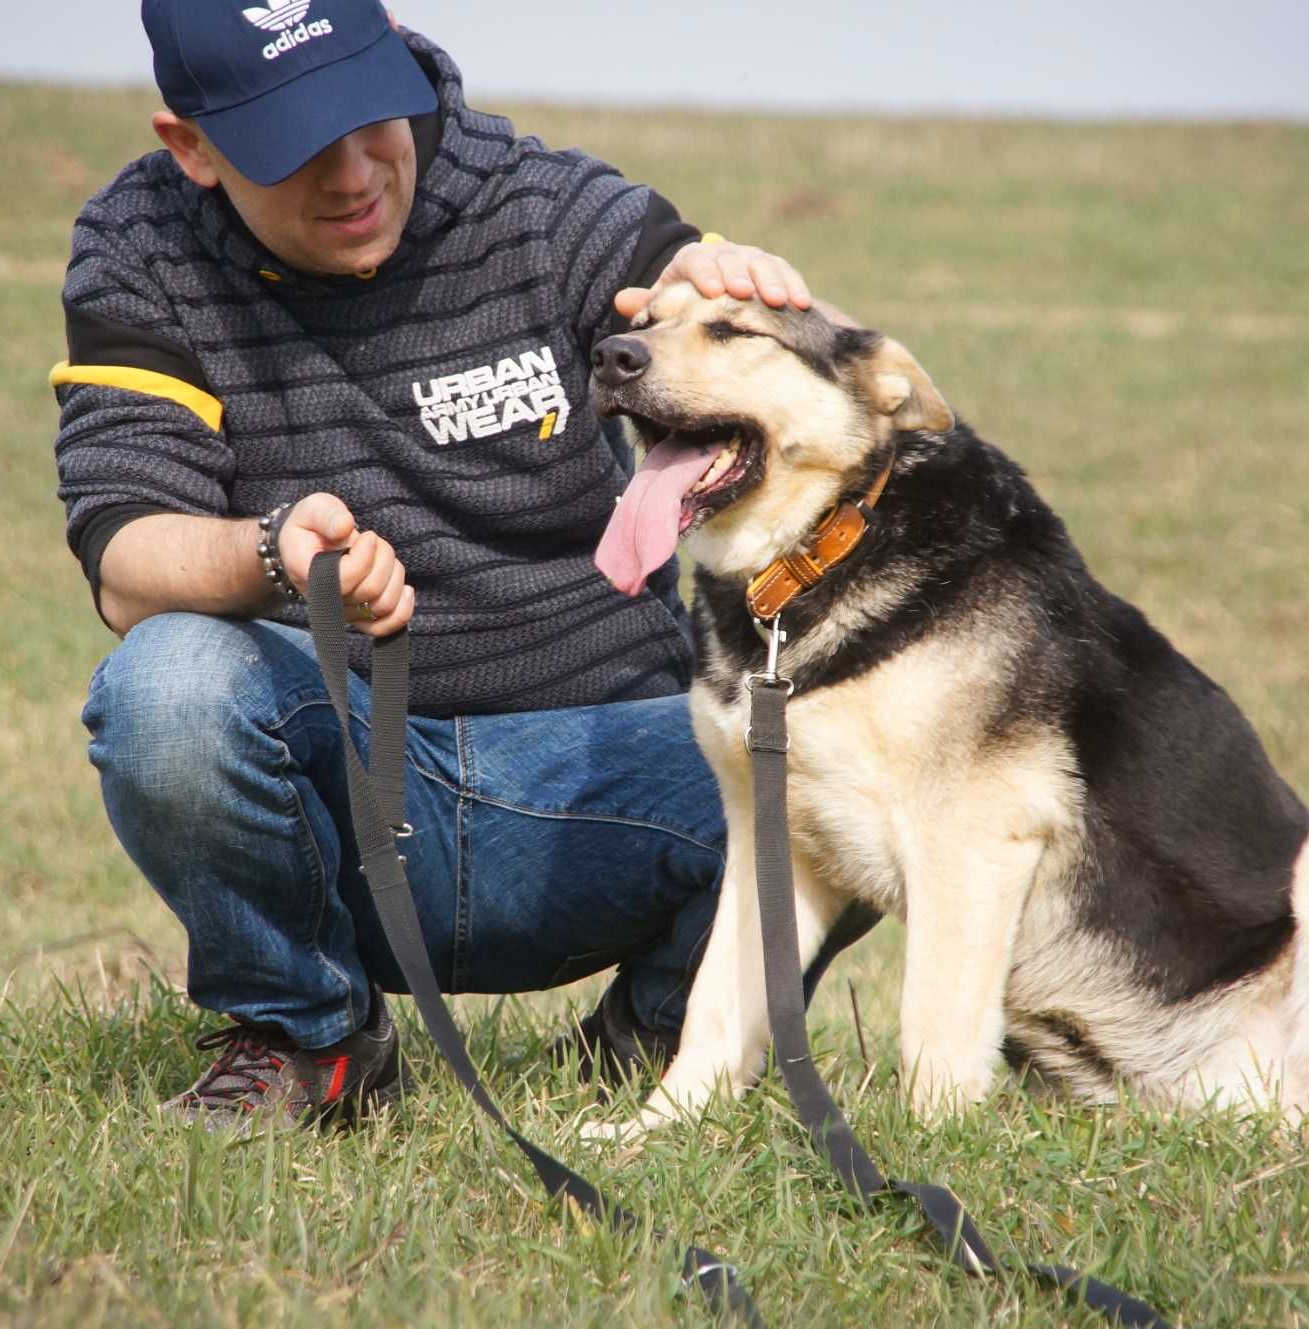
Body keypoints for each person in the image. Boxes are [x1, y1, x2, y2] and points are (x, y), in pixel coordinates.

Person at [50, 0, 851, 1130]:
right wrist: (270, 554)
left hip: (611, 770)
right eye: (294, 148)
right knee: (166, 684)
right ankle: (309, 1039)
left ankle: (663, 1039)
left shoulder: (543, 203)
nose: (351, 173)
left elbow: (699, 311)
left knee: (841, 744)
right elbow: (126, 560)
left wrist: (729, 298)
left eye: (367, 116)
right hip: (355, 798)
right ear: (190, 147)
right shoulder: (141, 251)